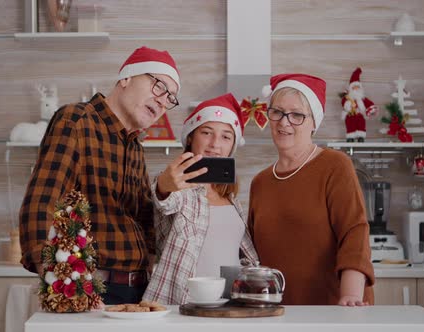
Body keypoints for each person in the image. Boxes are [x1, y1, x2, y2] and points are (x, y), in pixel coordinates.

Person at [19, 46, 181, 304]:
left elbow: (143, 219)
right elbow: (41, 203)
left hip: (138, 292)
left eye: (171, 98)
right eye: (159, 86)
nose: (163, 101)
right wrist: (59, 284)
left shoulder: (135, 146)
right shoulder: (76, 120)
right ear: (126, 78)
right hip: (92, 290)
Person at [248, 73, 375, 306]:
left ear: (314, 122)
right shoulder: (260, 182)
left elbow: (354, 233)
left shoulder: (335, 165)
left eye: (297, 115)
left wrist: (351, 297)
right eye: (277, 112)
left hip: (333, 311)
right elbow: (252, 256)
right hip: (276, 312)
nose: (284, 122)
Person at [142, 93, 259, 305]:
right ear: (190, 138)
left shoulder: (232, 199)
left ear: (232, 145)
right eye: (207, 132)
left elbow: (243, 257)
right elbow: (162, 201)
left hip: (229, 306)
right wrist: (163, 186)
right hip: (183, 305)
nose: (215, 143)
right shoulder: (177, 188)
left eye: (226, 136)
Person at [340, 67, 378, 142]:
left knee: (361, 125)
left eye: (358, 87)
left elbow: (369, 104)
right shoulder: (348, 98)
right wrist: (344, 98)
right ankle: (350, 137)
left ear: (360, 88)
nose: (356, 89)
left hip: (359, 114)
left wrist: (372, 108)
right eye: (354, 88)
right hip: (350, 114)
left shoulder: (362, 98)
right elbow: (343, 103)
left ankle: (361, 137)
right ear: (351, 89)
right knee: (350, 126)